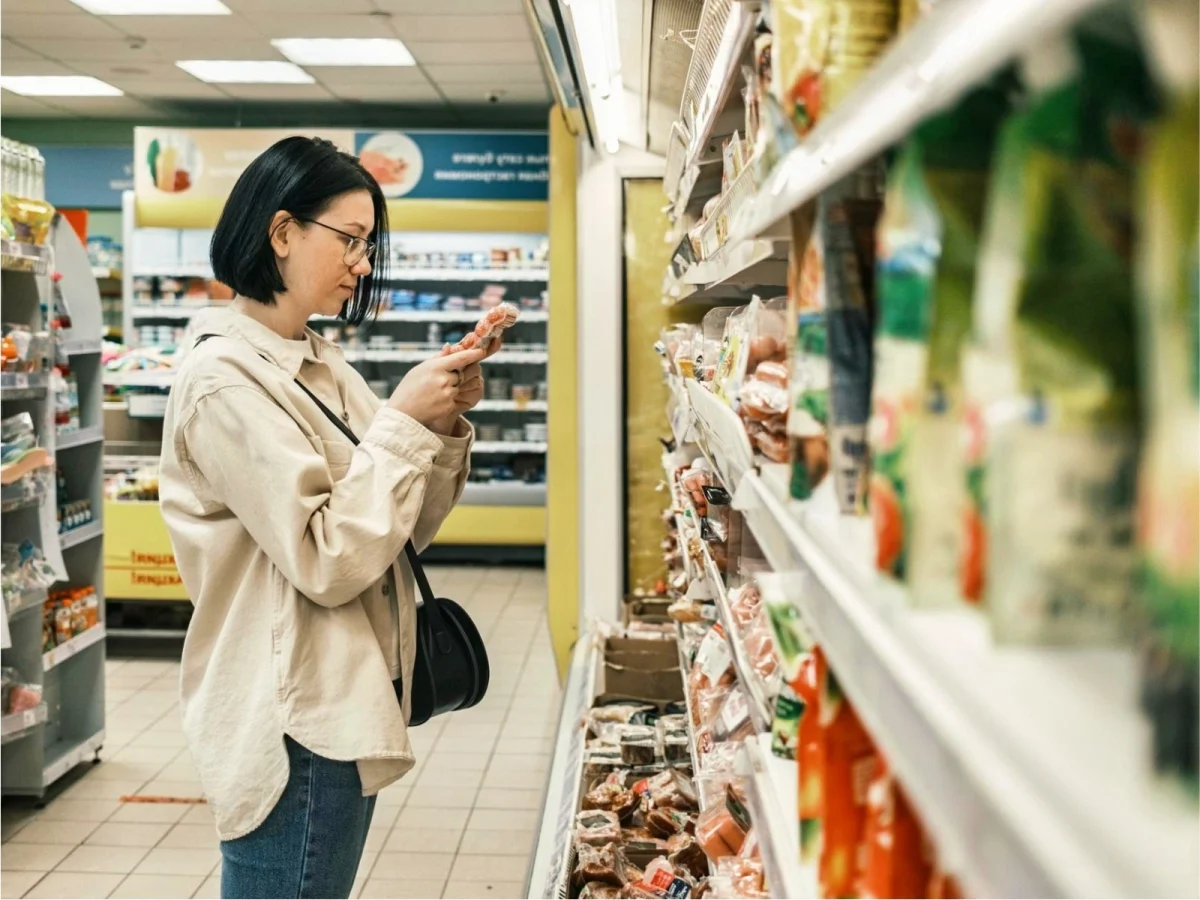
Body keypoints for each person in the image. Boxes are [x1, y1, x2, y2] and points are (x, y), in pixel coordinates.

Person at [158, 136, 495, 899]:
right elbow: (329, 559)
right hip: (295, 717)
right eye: (350, 240)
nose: (363, 264)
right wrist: (404, 423)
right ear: (282, 233)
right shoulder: (224, 384)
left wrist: (436, 423)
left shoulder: (316, 360)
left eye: (368, 245)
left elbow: (397, 533)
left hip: (343, 697)